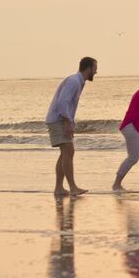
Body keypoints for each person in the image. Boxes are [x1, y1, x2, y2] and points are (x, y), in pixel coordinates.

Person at [46, 56, 97, 196]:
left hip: (59, 119)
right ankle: (73, 187)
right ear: (88, 69)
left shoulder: (78, 81)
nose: (96, 72)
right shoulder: (74, 81)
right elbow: (62, 102)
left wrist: (69, 121)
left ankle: (59, 188)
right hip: (59, 120)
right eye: (95, 69)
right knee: (68, 151)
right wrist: (68, 122)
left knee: (66, 152)